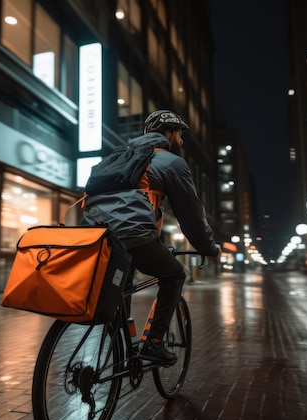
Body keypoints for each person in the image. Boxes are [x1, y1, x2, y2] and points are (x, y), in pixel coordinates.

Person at [82, 110, 221, 365]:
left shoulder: (120, 155)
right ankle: (154, 343)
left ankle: (124, 347)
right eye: (179, 135)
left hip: (98, 236)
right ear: (168, 134)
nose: (181, 141)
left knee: (120, 292)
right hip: (135, 236)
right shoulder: (171, 162)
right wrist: (209, 248)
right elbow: (190, 214)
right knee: (175, 274)